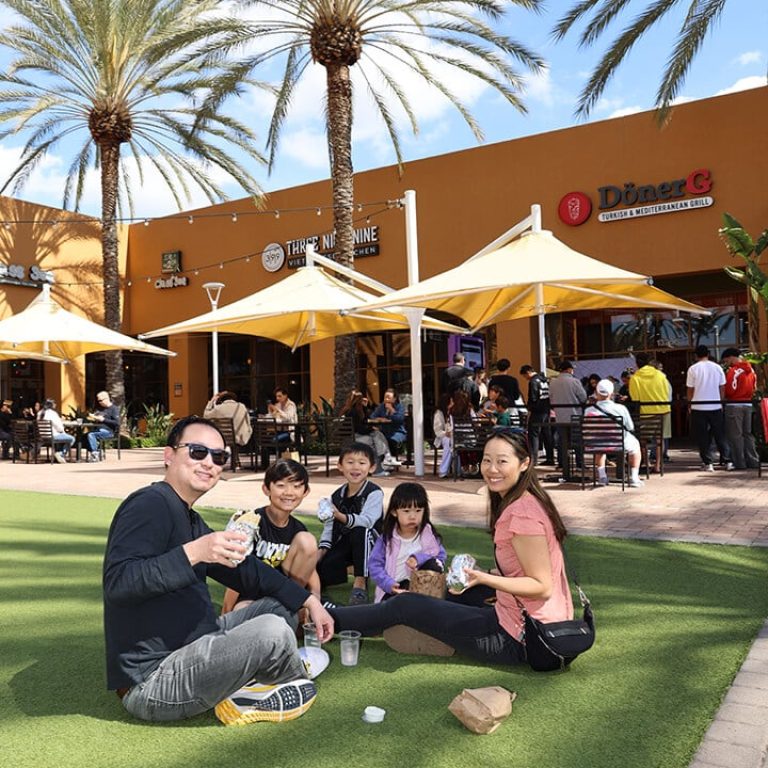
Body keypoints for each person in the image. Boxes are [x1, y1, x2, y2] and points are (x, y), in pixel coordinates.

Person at [103, 416, 333, 725]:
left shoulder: (187, 515)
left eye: (219, 456)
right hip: (153, 681)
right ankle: (274, 679)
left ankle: (259, 679)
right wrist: (195, 552)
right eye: (197, 451)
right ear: (169, 456)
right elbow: (119, 583)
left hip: (196, 644)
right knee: (272, 631)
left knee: (280, 608)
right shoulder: (150, 504)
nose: (209, 462)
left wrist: (310, 602)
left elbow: (247, 571)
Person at [328, 429, 574, 666]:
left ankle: (325, 620)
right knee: (450, 591)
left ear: (524, 463)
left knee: (407, 604)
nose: (492, 469)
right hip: (528, 621)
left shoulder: (522, 514)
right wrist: (486, 576)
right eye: (486, 460)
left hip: (523, 638)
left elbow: (541, 586)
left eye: (502, 461)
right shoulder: (526, 501)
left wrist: (483, 577)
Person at [221, 459, 321, 614]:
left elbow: (310, 568)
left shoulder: (298, 529)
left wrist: (316, 600)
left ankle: (290, 607)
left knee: (307, 540)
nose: (289, 492)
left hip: (283, 593)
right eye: (281, 485)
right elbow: (235, 571)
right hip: (251, 595)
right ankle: (286, 616)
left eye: (296, 486)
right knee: (244, 613)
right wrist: (226, 613)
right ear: (266, 489)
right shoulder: (251, 523)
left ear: (306, 491)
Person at [316, 442, 385, 605]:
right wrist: (322, 551)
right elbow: (329, 526)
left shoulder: (374, 492)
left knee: (361, 530)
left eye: (362, 463)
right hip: (345, 544)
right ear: (340, 466)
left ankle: (360, 583)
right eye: (350, 462)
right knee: (318, 574)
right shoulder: (336, 495)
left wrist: (339, 515)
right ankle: (350, 569)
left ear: (372, 467)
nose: (356, 467)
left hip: (370, 544)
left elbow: (367, 521)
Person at [368, 482, 446, 602]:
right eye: (406, 511)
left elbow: (439, 558)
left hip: (421, 589)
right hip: (394, 589)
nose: (412, 516)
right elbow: (374, 565)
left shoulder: (428, 534)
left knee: (432, 564)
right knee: (392, 611)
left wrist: (419, 559)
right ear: (394, 512)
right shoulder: (386, 539)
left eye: (418, 510)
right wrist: (388, 584)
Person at [585, 380, 644, 488]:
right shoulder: (620, 408)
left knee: (600, 447)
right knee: (635, 445)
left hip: (596, 444)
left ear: (596, 393)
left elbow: (586, 429)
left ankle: (602, 476)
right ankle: (634, 477)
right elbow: (630, 427)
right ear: (611, 394)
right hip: (618, 443)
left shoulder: (588, 410)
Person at [686, 345, 733, 472]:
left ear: (696, 356)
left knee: (702, 436)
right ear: (708, 354)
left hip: (698, 406)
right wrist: (720, 401)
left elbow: (690, 389)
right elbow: (722, 387)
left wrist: (689, 404)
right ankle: (727, 460)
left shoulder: (693, 369)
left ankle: (708, 462)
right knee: (720, 434)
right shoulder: (717, 368)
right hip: (715, 405)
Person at [628, 353, 671, 472]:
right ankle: (658, 465)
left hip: (646, 412)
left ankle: (646, 463)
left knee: (642, 440)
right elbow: (667, 392)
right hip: (664, 410)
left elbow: (635, 398)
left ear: (637, 364)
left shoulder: (635, 378)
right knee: (659, 439)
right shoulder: (660, 375)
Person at [721, 347, 760, 470]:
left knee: (735, 435)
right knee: (747, 434)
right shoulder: (751, 370)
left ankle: (739, 462)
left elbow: (730, 390)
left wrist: (724, 396)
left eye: (726, 360)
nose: (726, 363)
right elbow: (754, 387)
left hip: (734, 405)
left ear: (731, 357)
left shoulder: (734, 371)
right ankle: (753, 461)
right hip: (748, 404)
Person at [549, 360, 587, 481]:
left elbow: (550, 398)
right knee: (577, 440)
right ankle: (579, 463)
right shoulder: (575, 381)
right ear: (569, 369)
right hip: (575, 415)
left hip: (560, 416)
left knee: (562, 440)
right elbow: (583, 397)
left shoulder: (553, 382)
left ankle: (562, 463)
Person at [340, 390, 391, 477]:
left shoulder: (349, 410)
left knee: (377, 434)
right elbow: (360, 428)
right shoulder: (354, 412)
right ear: (359, 400)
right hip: (354, 437)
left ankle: (386, 458)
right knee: (373, 440)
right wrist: (371, 429)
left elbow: (363, 422)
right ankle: (380, 467)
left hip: (351, 436)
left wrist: (365, 407)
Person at [520, 364, 554, 465]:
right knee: (547, 434)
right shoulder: (544, 380)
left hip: (537, 411)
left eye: (524, 376)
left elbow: (533, 398)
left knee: (533, 434)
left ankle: (533, 458)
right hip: (546, 410)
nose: (525, 378)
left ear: (528, 373)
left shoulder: (533, 381)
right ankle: (550, 458)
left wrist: (529, 409)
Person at [369, 388, 406, 466]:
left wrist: (391, 410)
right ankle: (381, 462)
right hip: (384, 431)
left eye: (388, 397)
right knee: (376, 440)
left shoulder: (399, 407)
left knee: (390, 440)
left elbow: (399, 419)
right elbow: (372, 417)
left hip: (397, 432)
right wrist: (379, 419)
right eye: (385, 397)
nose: (386, 399)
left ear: (394, 398)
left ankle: (390, 460)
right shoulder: (381, 407)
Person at [84, 390, 120, 462]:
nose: (99, 402)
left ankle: (95, 454)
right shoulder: (100, 408)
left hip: (109, 431)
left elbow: (117, 423)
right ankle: (97, 451)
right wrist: (93, 417)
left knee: (91, 435)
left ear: (107, 399)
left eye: (100, 400)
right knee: (84, 437)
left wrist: (103, 419)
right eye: (98, 401)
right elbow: (96, 417)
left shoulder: (114, 409)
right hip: (98, 429)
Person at [37, 398, 75, 463]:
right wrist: (62, 431)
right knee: (72, 439)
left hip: (43, 437)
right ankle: (60, 454)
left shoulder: (39, 413)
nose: (56, 404)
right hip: (53, 436)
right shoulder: (52, 413)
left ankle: (57, 456)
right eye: (54, 403)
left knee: (62, 437)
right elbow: (59, 427)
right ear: (51, 405)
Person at [432, 394, 453, 478]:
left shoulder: (451, 413)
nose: (453, 404)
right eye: (451, 402)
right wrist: (445, 433)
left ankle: (458, 470)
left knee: (454, 442)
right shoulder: (439, 414)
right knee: (448, 442)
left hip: (451, 435)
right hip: (441, 438)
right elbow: (437, 431)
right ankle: (443, 471)